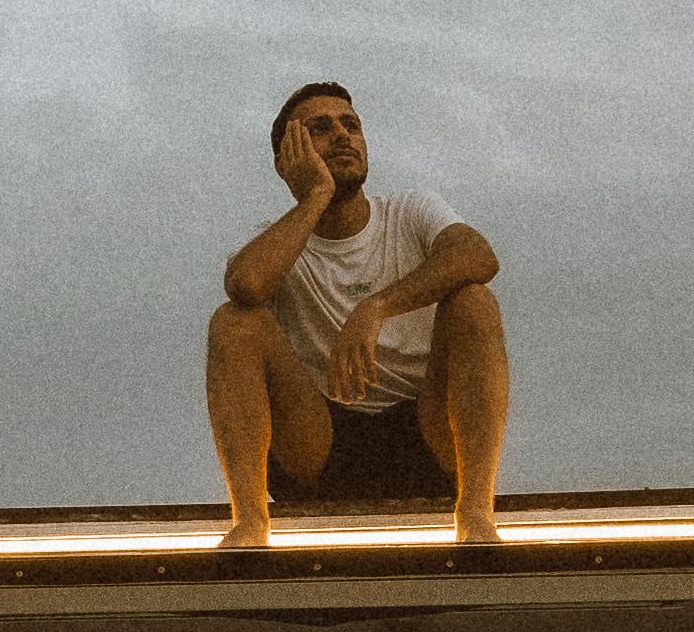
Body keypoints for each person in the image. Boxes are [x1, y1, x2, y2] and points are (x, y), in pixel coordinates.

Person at [204, 80, 511, 550]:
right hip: (318, 442)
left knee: (473, 301)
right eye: (321, 129)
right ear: (290, 157)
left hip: (429, 434)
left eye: (351, 125)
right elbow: (245, 285)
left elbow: (478, 256)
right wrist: (314, 196)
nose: (343, 136)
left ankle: (474, 514)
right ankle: (250, 523)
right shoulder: (280, 241)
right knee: (234, 322)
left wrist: (376, 307)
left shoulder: (410, 211)